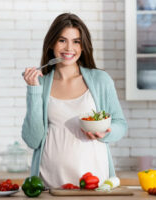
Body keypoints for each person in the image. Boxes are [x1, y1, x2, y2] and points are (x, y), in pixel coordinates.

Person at [22, 13, 127, 188]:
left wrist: (105, 132)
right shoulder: (40, 83)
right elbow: (33, 140)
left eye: (76, 41)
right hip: (50, 184)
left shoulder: (101, 80)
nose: (69, 48)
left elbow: (120, 124)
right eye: (62, 40)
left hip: (94, 181)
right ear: (51, 44)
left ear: (83, 46)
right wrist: (33, 90)